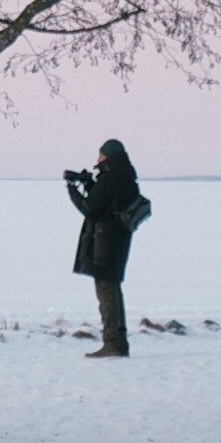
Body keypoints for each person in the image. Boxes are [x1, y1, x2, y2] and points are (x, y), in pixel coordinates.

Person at [67, 134, 151, 357]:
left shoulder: (109, 179)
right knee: (113, 291)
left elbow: (89, 208)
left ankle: (112, 343)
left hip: (105, 243)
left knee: (106, 293)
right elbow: (108, 200)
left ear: (108, 157)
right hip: (119, 242)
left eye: (101, 155)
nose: (98, 158)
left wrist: (72, 191)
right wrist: (89, 184)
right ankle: (118, 343)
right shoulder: (127, 179)